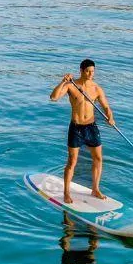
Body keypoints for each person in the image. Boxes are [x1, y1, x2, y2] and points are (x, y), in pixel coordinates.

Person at [49, 58, 115, 204]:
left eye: (93, 71)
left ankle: (95, 189)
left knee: (98, 159)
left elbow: (106, 107)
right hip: (76, 128)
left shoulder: (97, 89)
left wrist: (110, 117)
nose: (91, 74)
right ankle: (66, 193)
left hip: (91, 128)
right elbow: (53, 98)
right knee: (72, 161)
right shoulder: (71, 86)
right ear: (81, 71)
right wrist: (63, 82)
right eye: (88, 71)